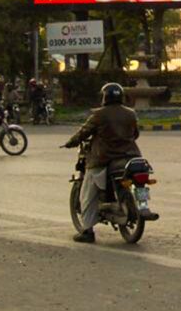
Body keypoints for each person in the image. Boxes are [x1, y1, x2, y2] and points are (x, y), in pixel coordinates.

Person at [63, 82, 150, 243]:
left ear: (104, 97)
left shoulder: (99, 114)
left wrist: (71, 142)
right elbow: (135, 134)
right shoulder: (131, 113)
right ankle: (143, 205)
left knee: (88, 193)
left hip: (104, 158)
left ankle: (87, 231)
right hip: (131, 156)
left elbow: (84, 132)